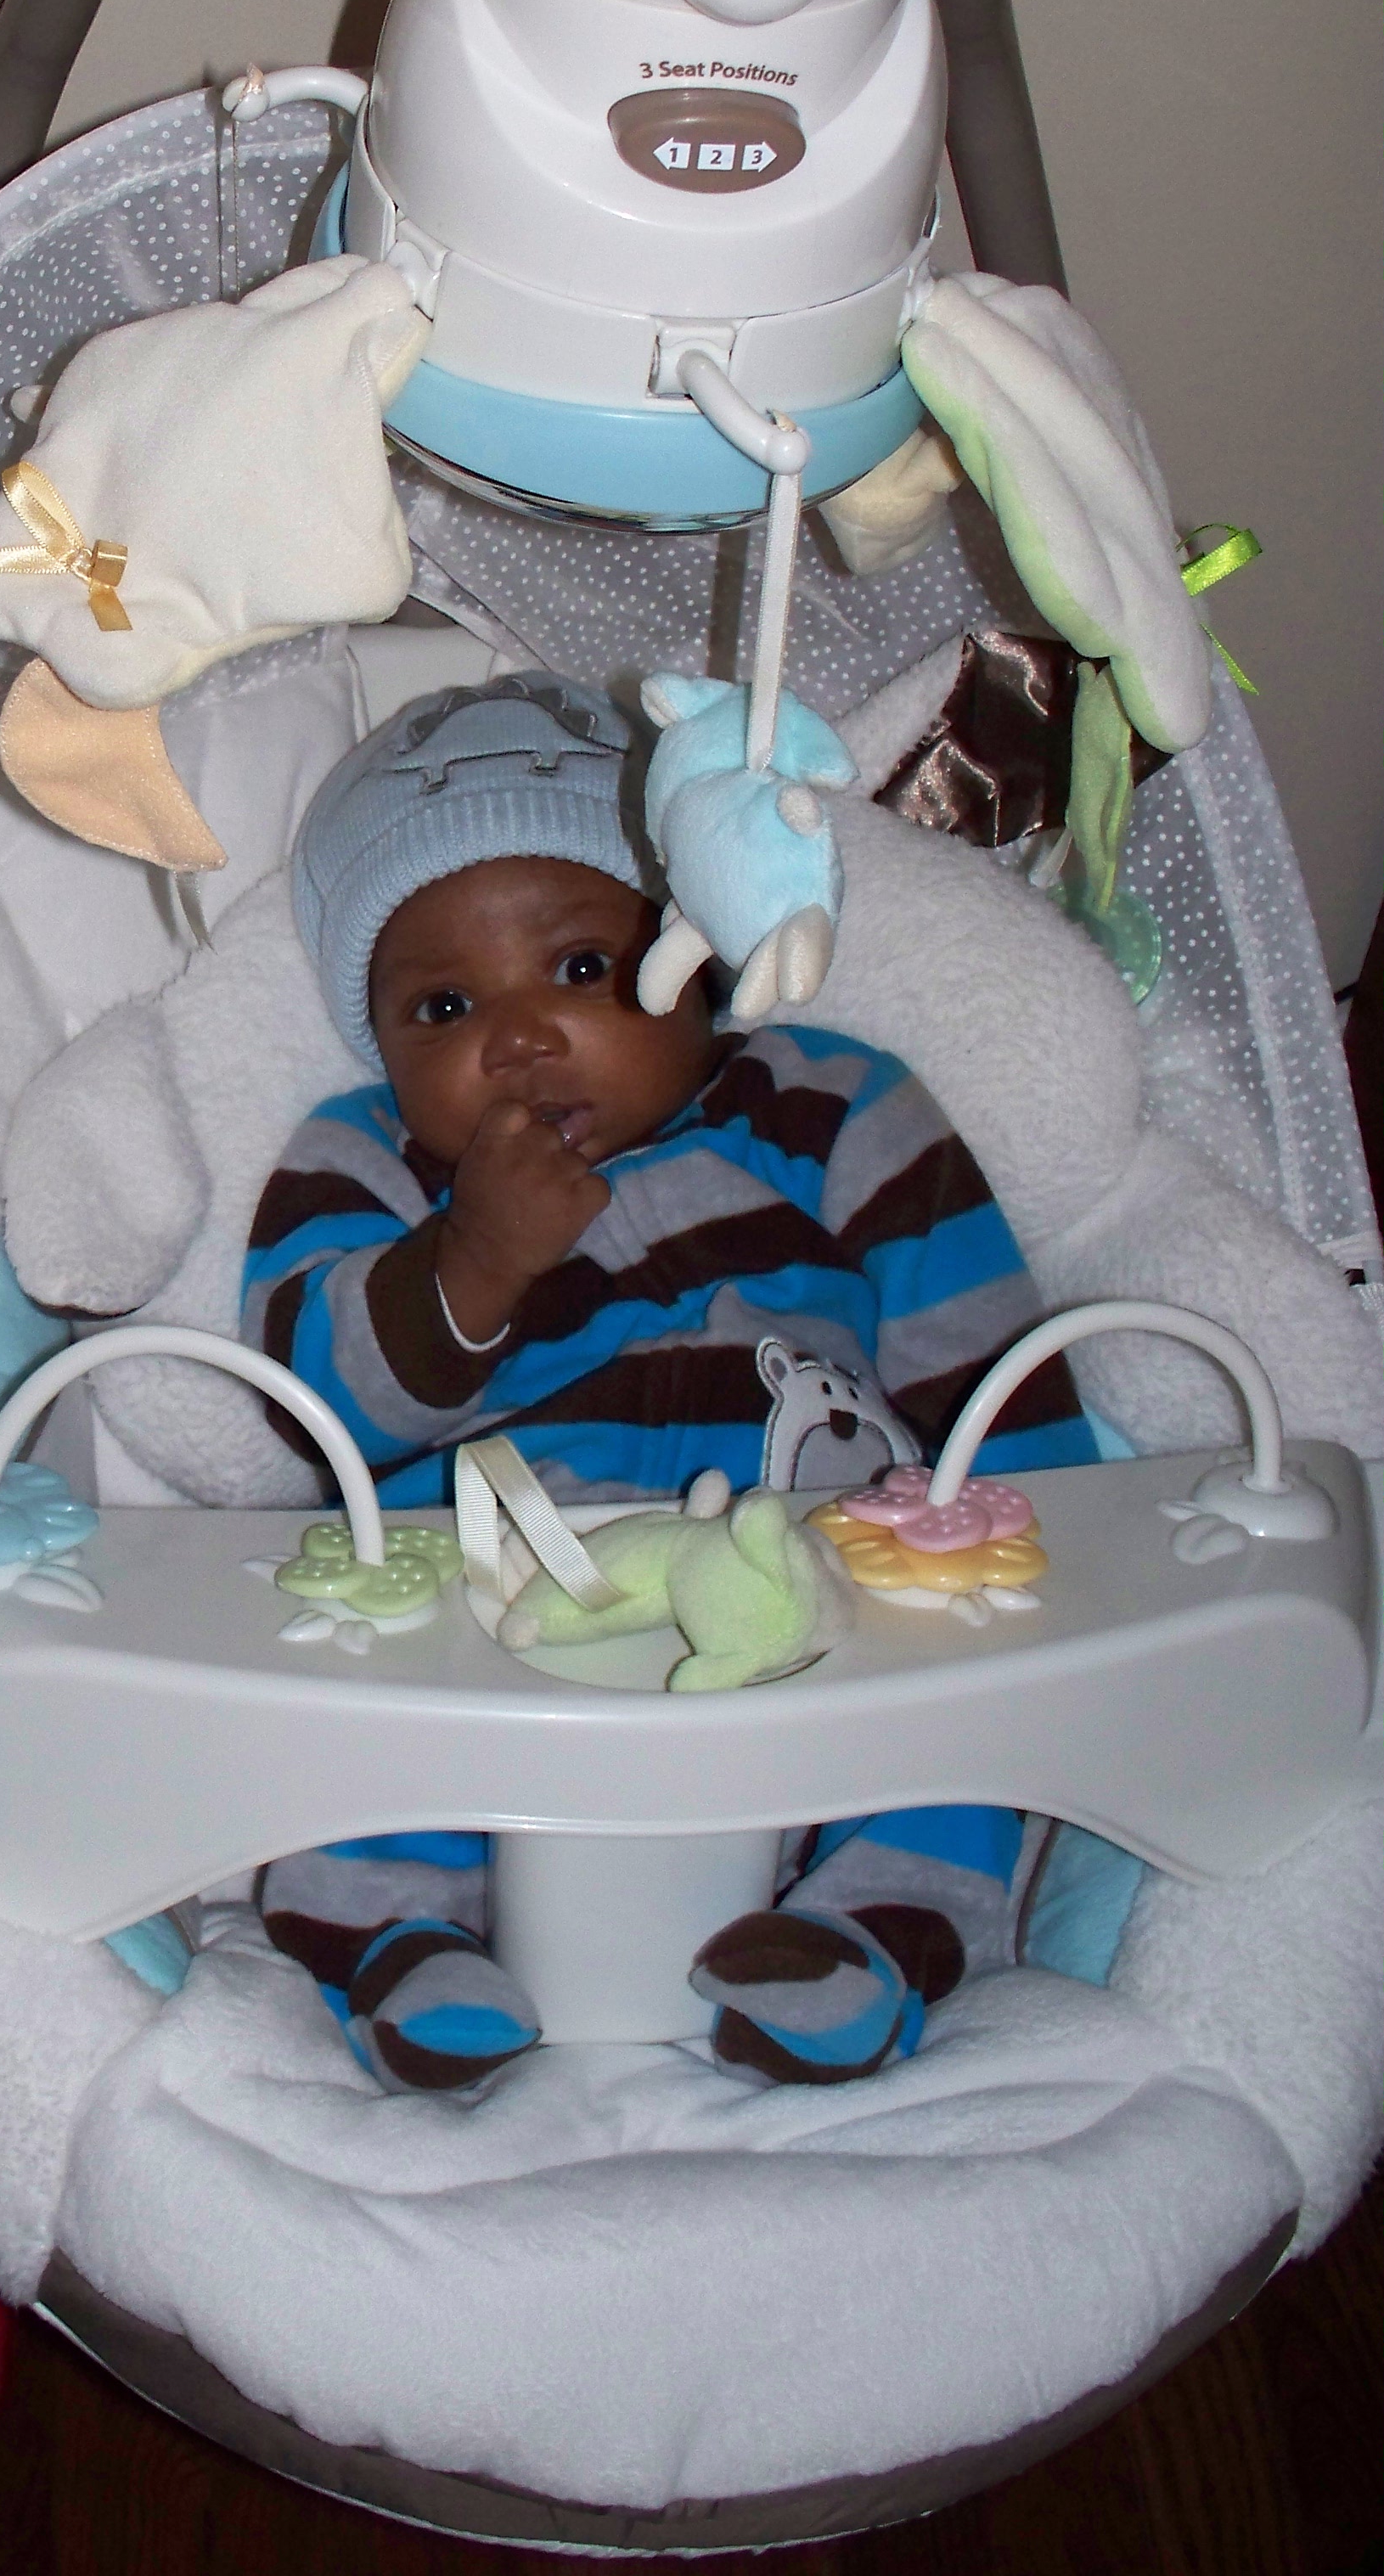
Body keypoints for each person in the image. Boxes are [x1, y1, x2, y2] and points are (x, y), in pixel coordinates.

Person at [239, 669, 1100, 2102]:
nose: (518, 1036)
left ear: (695, 959)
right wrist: (471, 1262)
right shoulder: (363, 1162)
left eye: (582, 969)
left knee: (951, 1739)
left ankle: (862, 1934)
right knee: (357, 1730)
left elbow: (983, 1359)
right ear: (378, 1048)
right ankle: (394, 1946)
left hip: (806, 1582)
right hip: (497, 1600)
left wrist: (1055, 1561)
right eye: (442, 1004)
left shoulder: (828, 1103)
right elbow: (310, 1403)